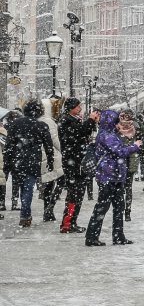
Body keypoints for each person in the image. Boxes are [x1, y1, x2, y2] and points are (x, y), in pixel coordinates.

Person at [84, 109, 142, 246]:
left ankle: (118, 236)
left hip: (114, 175)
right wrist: (135, 146)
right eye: (116, 122)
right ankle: (93, 237)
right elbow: (120, 151)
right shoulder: (107, 136)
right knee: (103, 207)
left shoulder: (108, 134)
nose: (118, 125)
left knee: (118, 206)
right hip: (108, 176)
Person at [4, 100, 55, 227]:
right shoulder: (41, 126)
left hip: (17, 160)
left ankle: (25, 214)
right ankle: (25, 215)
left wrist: (8, 162)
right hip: (32, 161)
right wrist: (50, 160)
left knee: (22, 188)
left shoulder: (15, 124)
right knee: (28, 189)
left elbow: (9, 145)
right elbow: (49, 146)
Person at [58, 98, 99, 233]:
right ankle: (68, 223)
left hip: (76, 161)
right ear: (71, 107)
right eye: (78, 106)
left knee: (77, 193)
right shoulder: (67, 120)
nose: (80, 109)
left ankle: (70, 222)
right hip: (73, 162)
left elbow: (84, 133)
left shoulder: (71, 119)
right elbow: (79, 133)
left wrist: (92, 123)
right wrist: (90, 120)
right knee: (75, 193)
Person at [117, 109, 141, 221]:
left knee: (128, 188)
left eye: (128, 116)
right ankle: (121, 210)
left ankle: (127, 211)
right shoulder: (116, 127)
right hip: (119, 160)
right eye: (124, 116)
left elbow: (142, 139)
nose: (126, 118)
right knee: (121, 188)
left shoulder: (135, 126)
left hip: (130, 159)